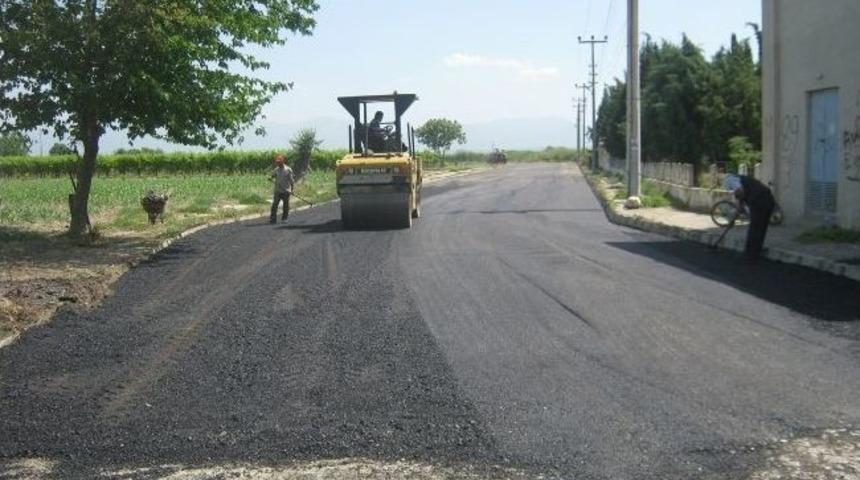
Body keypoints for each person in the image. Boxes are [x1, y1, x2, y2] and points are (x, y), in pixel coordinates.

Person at [724, 174, 775, 260]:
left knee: (754, 228)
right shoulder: (744, 179)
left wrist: (739, 202)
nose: (732, 190)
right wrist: (738, 212)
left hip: (759, 200)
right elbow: (742, 194)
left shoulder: (729, 180)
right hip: (769, 199)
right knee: (761, 227)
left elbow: (740, 191)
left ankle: (749, 255)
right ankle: (756, 252)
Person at [269, 154, 295, 224]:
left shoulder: (288, 170)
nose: (278, 163)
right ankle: (273, 219)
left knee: (285, 205)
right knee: (274, 205)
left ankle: (284, 218)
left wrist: (292, 190)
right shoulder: (276, 170)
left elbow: (292, 181)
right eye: (277, 162)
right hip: (277, 190)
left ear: (283, 161)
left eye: (279, 162)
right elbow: (272, 176)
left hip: (286, 191)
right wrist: (270, 178)